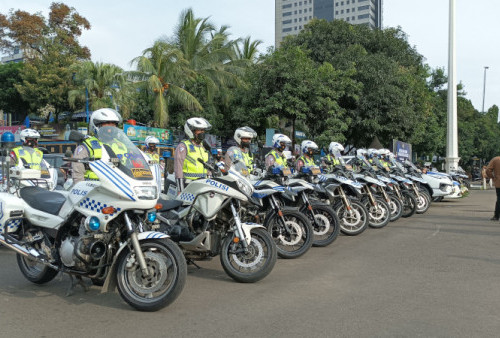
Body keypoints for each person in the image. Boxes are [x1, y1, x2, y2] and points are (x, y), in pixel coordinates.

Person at [72, 108, 123, 184]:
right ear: (96, 125)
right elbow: (77, 171)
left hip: (119, 186)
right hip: (94, 187)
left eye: (114, 123)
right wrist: (80, 186)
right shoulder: (87, 145)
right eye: (107, 123)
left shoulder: (121, 145)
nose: (111, 126)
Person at [174, 117, 212, 191]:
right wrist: (180, 189)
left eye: (203, 130)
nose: (202, 132)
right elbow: (178, 170)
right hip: (189, 185)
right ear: (191, 131)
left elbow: (208, 167)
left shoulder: (204, 146)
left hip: (203, 184)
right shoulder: (183, 146)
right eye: (200, 130)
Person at [485, 156, 500, 220]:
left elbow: (488, 170)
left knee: (499, 199)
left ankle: (496, 216)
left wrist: (493, 177)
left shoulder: (496, 159)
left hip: (499, 182)